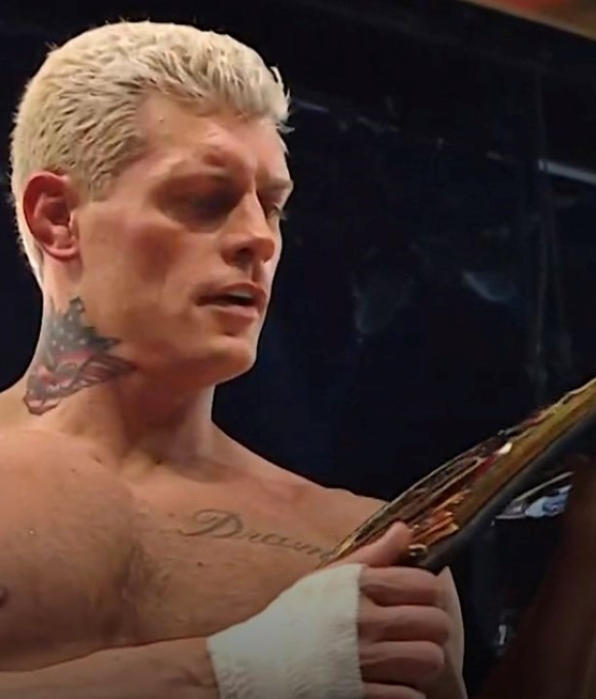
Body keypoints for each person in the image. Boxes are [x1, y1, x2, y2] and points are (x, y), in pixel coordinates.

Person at [0, 20, 474, 698]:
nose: (258, 238)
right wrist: (235, 672)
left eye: (271, 207)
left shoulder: (356, 545)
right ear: (57, 218)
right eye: (204, 200)